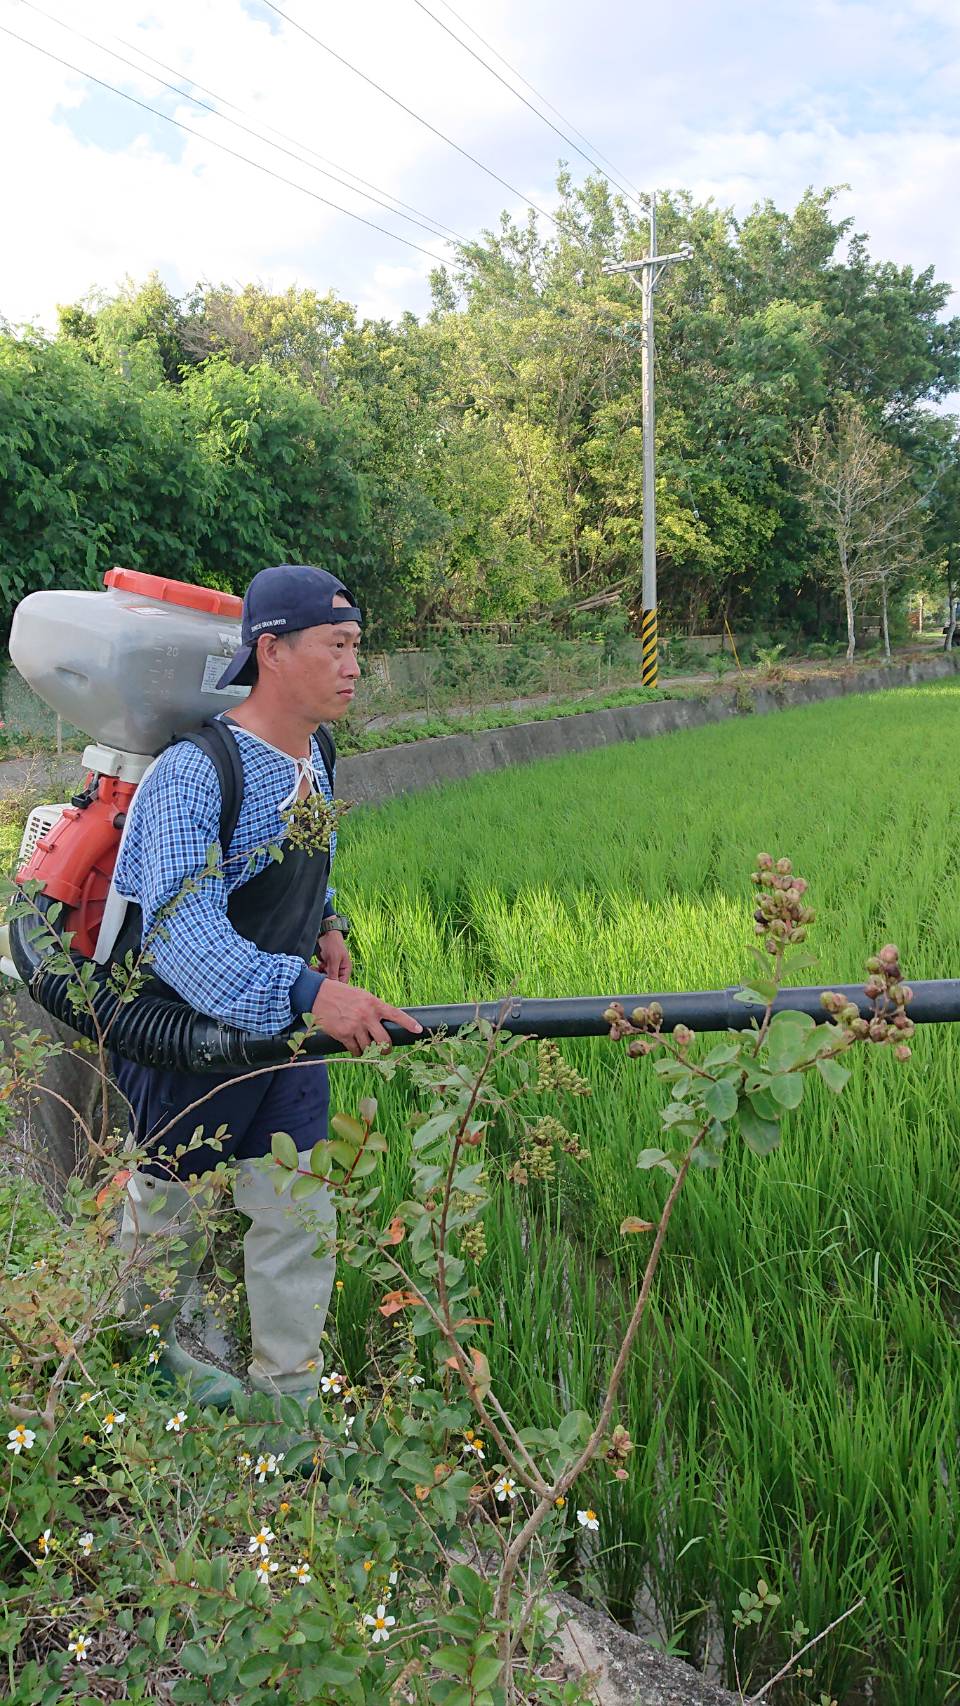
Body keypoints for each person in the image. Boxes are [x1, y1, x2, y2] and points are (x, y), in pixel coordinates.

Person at [110, 563, 422, 1406]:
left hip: (283, 1032)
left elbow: (304, 857)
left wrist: (327, 927)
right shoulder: (195, 773)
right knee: (165, 1221)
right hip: (184, 1041)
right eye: (339, 646)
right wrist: (308, 994)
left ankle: (289, 1403)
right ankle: (124, 1376)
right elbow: (183, 936)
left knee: (296, 1216)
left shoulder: (317, 751)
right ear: (273, 651)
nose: (356, 664)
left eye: (358, 646)